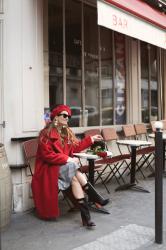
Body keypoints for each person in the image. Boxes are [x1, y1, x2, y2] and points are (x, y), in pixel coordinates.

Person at [32, 104, 109, 229]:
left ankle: (86, 217)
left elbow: (75, 147)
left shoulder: (66, 133)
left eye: (69, 116)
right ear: (56, 117)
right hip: (48, 169)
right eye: (64, 115)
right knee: (73, 169)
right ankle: (95, 198)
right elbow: (47, 156)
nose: (67, 118)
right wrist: (68, 158)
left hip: (62, 167)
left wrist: (91, 140)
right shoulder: (45, 134)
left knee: (74, 178)